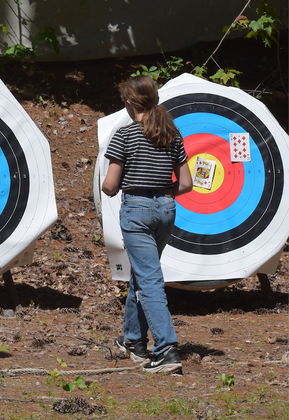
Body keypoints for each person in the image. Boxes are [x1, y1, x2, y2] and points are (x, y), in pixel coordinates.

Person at [101, 75, 191, 374]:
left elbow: (110, 185)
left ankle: (166, 350)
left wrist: (110, 186)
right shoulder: (171, 134)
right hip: (166, 208)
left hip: (137, 210)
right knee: (142, 274)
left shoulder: (125, 135)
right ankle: (133, 341)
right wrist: (163, 193)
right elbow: (186, 184)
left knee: (149, 280)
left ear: (129, 103)